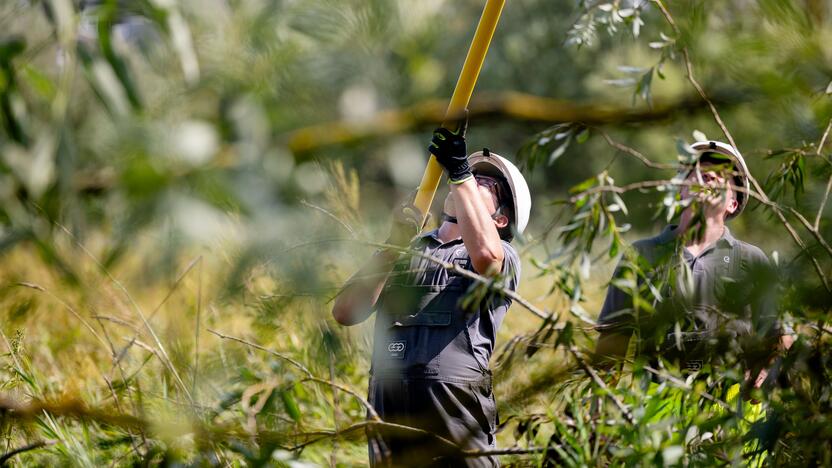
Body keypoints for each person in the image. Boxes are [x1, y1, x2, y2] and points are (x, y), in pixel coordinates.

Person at [332, 118, 531, 467]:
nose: (469, 181)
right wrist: (392, 246)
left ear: (501, 220)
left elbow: (486, 257)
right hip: (389, 404)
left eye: (483, 183)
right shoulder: (405, 249)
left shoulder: (503, 255)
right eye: (467, 176)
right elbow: (346, 312)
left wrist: (458, 170)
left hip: (456, 408)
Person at [594, 140, 792, 387]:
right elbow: (611, 347)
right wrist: (597, 416)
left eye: (722, 174)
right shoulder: (641, 255)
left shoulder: (752, 261)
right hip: (655, 415)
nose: (707, 174)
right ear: (681, 190)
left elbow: (779, 336)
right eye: (697, 170)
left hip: (729, 413)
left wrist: (765, 371)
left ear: (733, 203)